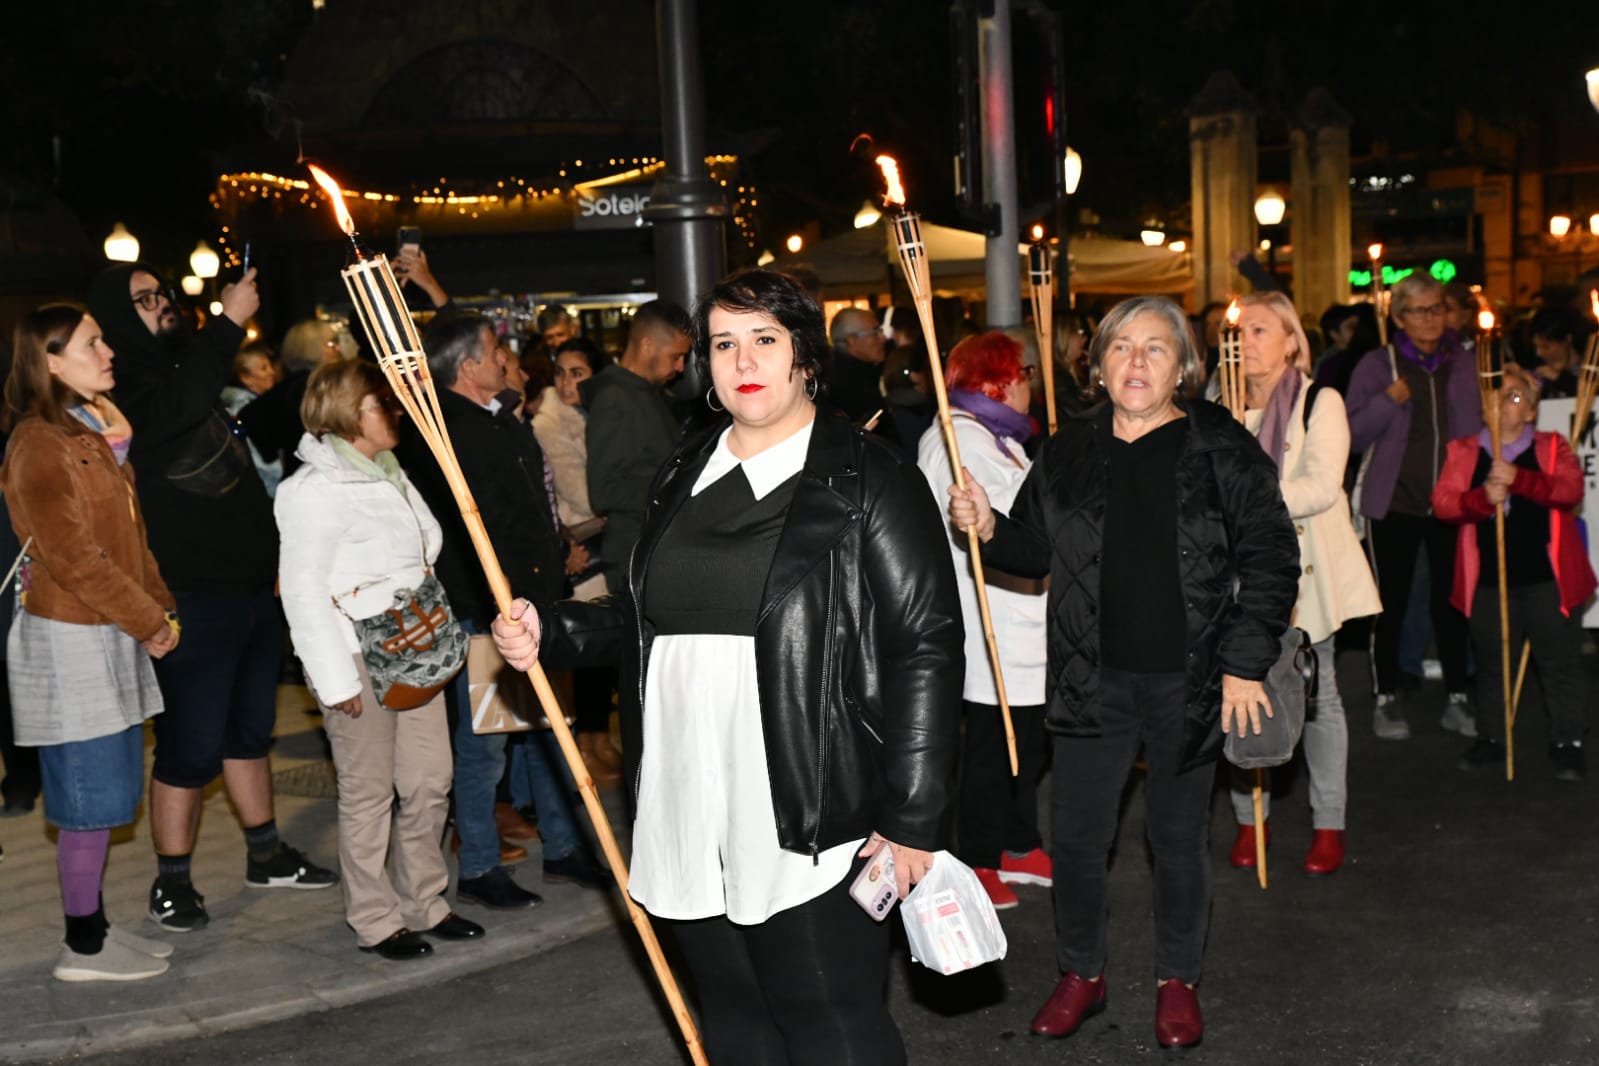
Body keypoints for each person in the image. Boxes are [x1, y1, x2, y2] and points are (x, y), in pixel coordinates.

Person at [492, 268, 963, 1064]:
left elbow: (923, 642)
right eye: (722, 343)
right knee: (734, 1009)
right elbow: (650, 618)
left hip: (808, 788)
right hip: (684, 781)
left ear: (804, 356)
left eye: (764, 340)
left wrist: (912, 816)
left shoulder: (870, 475)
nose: (743, 359)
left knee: (826, 1012)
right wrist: (555, 632)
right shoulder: (687, 465)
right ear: (702, 364)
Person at [948, 294, 1299, 1050]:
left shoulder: (1220, 447)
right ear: (1097, 364)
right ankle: (1082, 972)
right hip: (1088, 677)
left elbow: (1271, 556)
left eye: (1154, 348)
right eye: (1119, 348)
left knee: (1176, 840)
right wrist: (986, 527)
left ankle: (1178, 980)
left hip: (1192, 678)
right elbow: (1034, 552)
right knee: (1075, 841)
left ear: (1182, 367)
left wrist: (1243, 665)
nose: (1135, 362)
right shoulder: (1067, 450)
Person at [85, 263, 336, 933]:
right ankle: (172, 883)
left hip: (251, 590)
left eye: (162, 294)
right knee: (190, 746)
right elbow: (178, 411)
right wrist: (226, 323)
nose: (162, 305)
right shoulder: (122, 392)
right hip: (191, 597)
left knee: (249, 733)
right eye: (144, 300)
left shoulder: (176, 373)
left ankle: (266, 853)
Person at [399, 313, 607, 911]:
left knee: (547, 728)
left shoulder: (497, 419)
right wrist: (503, 601)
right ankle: (481, 864)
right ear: (467, 368)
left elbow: (530, 508)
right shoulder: (449, 432)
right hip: (488, 610)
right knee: (484, 744)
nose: (504, 356)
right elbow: (477, 527)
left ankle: (564, 847)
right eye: (494, 350)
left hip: (535, 602)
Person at [275, 360, 483, 959]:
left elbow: (426, 547)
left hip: (414, 649)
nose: (394, 412)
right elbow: (304, 589)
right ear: (347, 412)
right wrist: (333, 678)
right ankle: (374, 919)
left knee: (429, 782)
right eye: (381, 404)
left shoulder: (389, 471)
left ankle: (426, 901)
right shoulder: (311, 491)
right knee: (368, 793)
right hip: (357, 656)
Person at [1, 304, 179, 980]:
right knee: (85, 791)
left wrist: (156, 605)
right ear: (49, 360)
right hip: (72, 632)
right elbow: (71, 555)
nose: (108, 350)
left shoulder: (82, 428)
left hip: (106, 625)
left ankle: (95, 928)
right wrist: (149, 619)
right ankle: (81, 947)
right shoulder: (38, 443)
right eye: (92, 342)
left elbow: (126, 538)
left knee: (108, 786)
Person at [1223, 293, 1381, 878]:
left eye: (1261, 329)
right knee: (1238, 698)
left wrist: (1240, 502)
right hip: (1233, 579)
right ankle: (1249, 818)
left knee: (1320, 697)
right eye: (1237, 330)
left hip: (1303, 575)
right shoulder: (1218, 405)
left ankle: (1329, 822)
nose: (1245, 340)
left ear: (1292, 340)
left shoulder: (1321, 400)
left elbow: (1320, 487)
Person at [915, 332, 1049, 910]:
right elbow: (994, 523)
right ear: (997, 380)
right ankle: (979, 856)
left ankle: (1018, 843)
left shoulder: (999, 437)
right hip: (987, 613)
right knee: (993, 748)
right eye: (1024, 373)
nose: (1031, 384)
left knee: (1029, 743)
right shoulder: (956, 438)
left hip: (1023, 613)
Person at [1432, 364, 1593, 781]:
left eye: (1516, 397)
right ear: (1484, 407)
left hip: (1547, 580)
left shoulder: (1552, 446)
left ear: (1532, 413)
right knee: (1491, 662)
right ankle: (1492, 737)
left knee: (1558, 663)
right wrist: (1483, 497)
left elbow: (1570, 491)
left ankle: (1567, 741)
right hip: (1489, 580)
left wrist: (1521, 480)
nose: (1505, 405)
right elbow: (1445, 504)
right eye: (1497, 396)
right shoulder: (1464, 450)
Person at [1345, 274, 1482, 740]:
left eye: (1439, 308)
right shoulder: (1376, 364)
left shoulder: (1464, 361)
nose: (1433, 318)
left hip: (1453, 503)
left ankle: (1459, 696)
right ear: (1398, 318)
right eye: (1421, 311)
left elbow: (1483, 424)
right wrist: (1387, 401)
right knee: (1389, 604)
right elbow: (1351, 433)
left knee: (1454, 603)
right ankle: (1385, 696)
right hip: (1395, 504)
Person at [531, 337, 619, 783]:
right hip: (580, 546)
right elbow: (586, 497)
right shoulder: (551, 423)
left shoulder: (594, 415)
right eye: (561, 371)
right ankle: (587, 744)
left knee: (603, 652)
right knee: (588, 645)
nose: (566, 382)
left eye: (577, 372)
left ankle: (598, 739)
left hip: (600, 543)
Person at [582, 301, 692, 585]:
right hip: (634, 556)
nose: (681, 367)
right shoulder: (615, 398)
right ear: (647, 345)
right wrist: (677, 489)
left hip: (656, 548)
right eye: (676, 356)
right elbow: (603, 490)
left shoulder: (648, 393)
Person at [826, 306, 890, 423]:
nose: (883, 338)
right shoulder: (848, 385)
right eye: (876, 332)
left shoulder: (867, 373)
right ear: (852, 341)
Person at [1529, 307, 1583, 399]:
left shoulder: (1592, 369)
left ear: (1567, 339)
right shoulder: (1541, 376)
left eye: (1546, 347)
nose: (1539, 353)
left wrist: (1560, 378)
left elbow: (1590, 392)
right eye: (1536, 346)